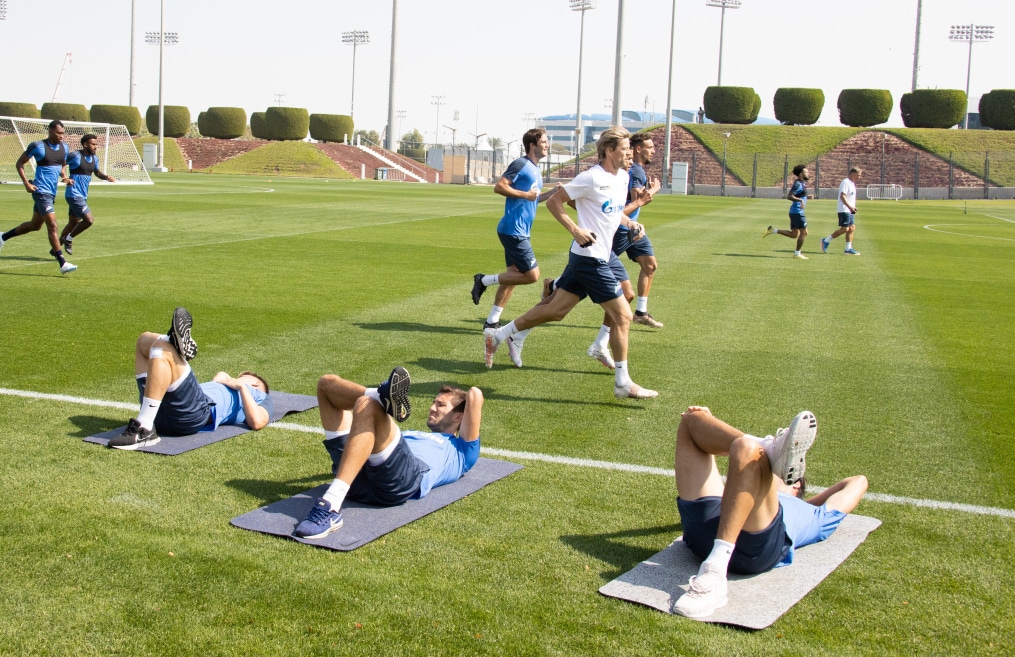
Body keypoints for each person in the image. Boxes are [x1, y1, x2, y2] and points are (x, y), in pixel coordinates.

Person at [484, 126, 658, 399]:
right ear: (610, 150)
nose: (629, 154)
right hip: (589, 258)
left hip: (593, 256)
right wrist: (575, 229)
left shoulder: (623, 177)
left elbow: (611, 214)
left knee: (556, 310)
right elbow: (555, 202)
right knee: (623, 315)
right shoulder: (590, 178)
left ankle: (500, 334)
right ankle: (622, 382)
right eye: (624, 150)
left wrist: (631, 222)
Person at [670, 405, 868, 618]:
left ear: (795, 486)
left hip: (753, 548)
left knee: (748, 450)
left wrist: (810, 502)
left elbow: (858, 482)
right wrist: (710, 427)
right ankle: (770, 448)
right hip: (710, 524)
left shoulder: (810, 514)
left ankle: (714, 573)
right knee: (692, 420)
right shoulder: (749, 494)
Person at [292, 366, 483, 539]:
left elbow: (475, 394)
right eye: (434, 402)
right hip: (362, 476)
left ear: (459, 416)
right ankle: (378, 394)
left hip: (403, 480)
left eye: (440, 405)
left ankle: (330, 506)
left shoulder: (463, 451)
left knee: (367, 405)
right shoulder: (411, 434)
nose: (431, 408)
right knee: (326, 384)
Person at [108, 307, 274, 450]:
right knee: (143, 340)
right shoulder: (224, 384)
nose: (234, 377)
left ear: (255, 383)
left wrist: (241, 386)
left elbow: (258, 422)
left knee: (161, 347)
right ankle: (174, 343)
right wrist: (225, 378)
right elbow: (220, 376)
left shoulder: (259, 396)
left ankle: (144, 429)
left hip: (195, 414)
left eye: (241, 376)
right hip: (164, 412)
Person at [471, 128, 559, 329]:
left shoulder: (536, 169)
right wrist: (524, 195)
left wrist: (552, 192)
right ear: (532, 145)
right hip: (513, 230)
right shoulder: (521, 164)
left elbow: (534, 198)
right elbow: (499, 186)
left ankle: (491, 321)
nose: (547, 145)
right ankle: (483, 280)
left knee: (513, 276)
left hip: (519, 230)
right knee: (531, 276)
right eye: (544, 142)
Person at [0, 120, 77, 274]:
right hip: (40, 191)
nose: (61, 136)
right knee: (53, 225)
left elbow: (62, 164)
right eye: (58, 133)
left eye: (63, 133)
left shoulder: (64, 147)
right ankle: (62, 262)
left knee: (35, 225)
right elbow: (19, 163)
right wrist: (26, 184)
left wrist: (64, 176)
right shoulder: (38, 146)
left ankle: (2, 237)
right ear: (50, 131)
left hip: (51, 192)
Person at [614, 133, 663, 328]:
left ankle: (641, 312)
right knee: (593, 267)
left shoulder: (636, 170)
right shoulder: (636, 171)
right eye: (649, 147)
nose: (653, 150)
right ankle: (555, 285)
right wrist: (653, 190)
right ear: (638, 149)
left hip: (633, 228)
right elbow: (635, 202)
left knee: (650, 265)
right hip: (620, 228)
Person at [59, 133, 116, 255]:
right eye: (93, 144)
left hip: (82, 195)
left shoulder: (94, 158)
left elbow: (97, 172)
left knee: (73, 223)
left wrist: (106, 177)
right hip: (73, 194)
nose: (96, 147)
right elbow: (60, 163)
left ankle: (56, 249)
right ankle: (68, 239)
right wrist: (65, 177)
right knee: (89, 220)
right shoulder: (75, 155)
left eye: (96, 144)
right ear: (85, 144)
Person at [763, 164, 813, 259]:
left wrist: (806, 197)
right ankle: (797, 253)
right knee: (804, 233)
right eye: (806, 172)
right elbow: (789, 196)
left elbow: (798, 195)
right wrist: (801, 200)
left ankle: (773, 230)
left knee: (794, 234)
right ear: (801, 174)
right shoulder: (798, 183)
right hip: (798, 212)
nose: (808, 173)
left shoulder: (802, 183)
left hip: (794, 212)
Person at [822, 167, 863, 255]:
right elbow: (842, 196)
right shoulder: (846, 182)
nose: (859, 177)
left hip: (850, 210)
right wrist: (850, 207)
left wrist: (853, 207)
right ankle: (825, 240)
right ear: (852, 173)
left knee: (852, 228)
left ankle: (848, 249)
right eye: (858, 175)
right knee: (844, 229)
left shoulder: (852, 183)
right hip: (844, 209)